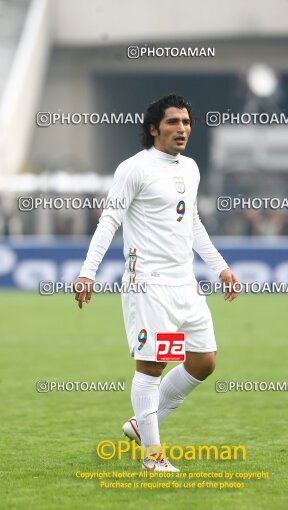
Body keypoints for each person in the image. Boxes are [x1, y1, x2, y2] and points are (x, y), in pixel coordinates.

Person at [73, 93, 238, 472]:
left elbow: (192, 222)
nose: (182, 129)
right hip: (148, 284)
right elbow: (109, 221)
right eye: (173, 122)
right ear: (154, 129)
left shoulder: (191, 168)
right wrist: (87, 271)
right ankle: (153, 456)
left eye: (186, 122)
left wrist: (220, 267)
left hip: (185, 283)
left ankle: (142, 424)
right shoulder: (135, 168)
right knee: (152, 365)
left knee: (204, 361)